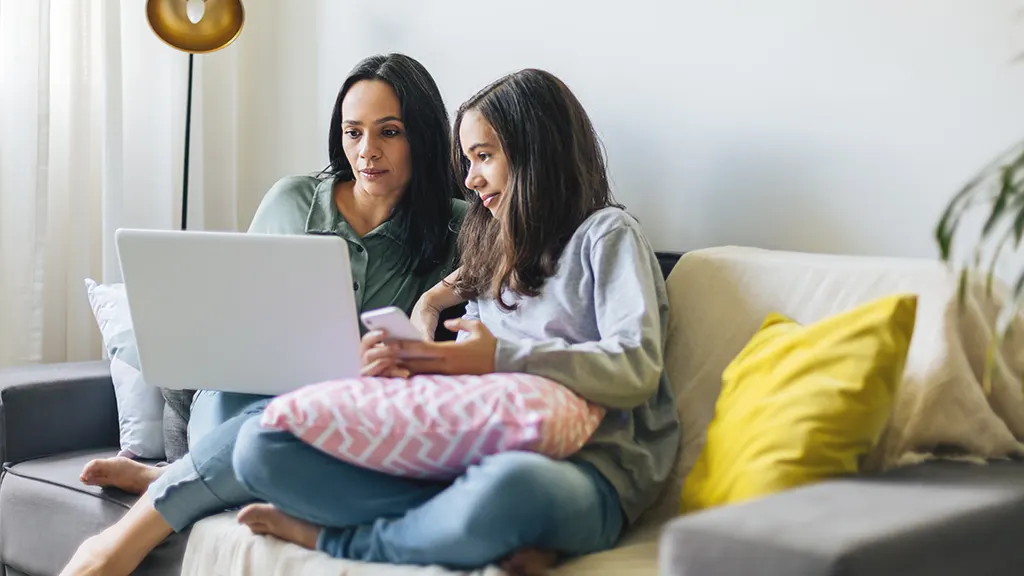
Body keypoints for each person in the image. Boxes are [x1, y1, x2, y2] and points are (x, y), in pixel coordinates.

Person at [228, 69, 681, 575]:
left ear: (537, 152)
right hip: (471, 458)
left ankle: (347, 540)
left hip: (588, 472)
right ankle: (466, 531)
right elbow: (465, 378)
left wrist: (502, 358)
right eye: (467, 162)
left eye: (484, 157)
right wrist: (414, 360)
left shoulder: (607, 236)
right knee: (261, 447)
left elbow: (636, 367)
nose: (470, 180)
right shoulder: (492, 253)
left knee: (510, 488)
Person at [60, 52, 467, 576]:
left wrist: (424, 314)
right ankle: (182, 481)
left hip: (344, 422)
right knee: (252, 425)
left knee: (287, 438)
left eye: (389, 132)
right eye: (353, 132)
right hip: (240, 398)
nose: (367, 152)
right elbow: (237, 312)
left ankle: (166, 487)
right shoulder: (291, 199)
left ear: (424, 136)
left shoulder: (460, 229)